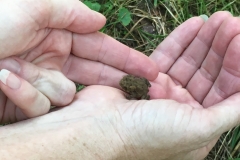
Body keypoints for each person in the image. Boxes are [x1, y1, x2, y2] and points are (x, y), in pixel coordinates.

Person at [0, 0, 240, 159]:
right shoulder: (130, 85)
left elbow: (136, 87)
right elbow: (132, 86)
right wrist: (117, 134)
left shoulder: (134, 87)